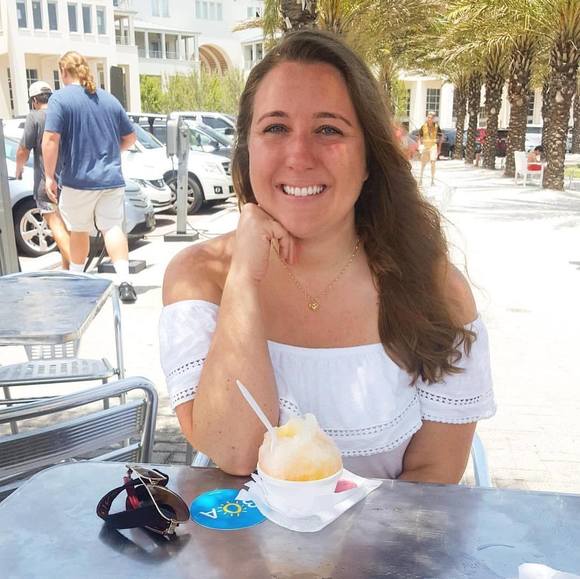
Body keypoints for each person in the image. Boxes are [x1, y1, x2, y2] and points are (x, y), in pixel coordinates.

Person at [160, 30, 495, 483]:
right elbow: (235, 452)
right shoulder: (200, 277)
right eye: (275, 128)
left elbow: (434, 478)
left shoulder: (436, 291)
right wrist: (243, 279)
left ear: (369, 158)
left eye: (328, 129)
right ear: (247, 149)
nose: (299, 156)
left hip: (391, 532)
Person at [42, 51, 138, 303]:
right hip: (111, 179)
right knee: (112, 227)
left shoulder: (60, 99)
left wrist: (49, 176)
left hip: (78, 179)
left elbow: (51, 139)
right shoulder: (109, 99)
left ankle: (78, 280)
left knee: (79, 230)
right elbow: (130, 138)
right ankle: (125, 282)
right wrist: (109, 152)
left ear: (64, 72)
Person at [15, 81, 70, 269]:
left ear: (34, 100)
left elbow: (23, 149)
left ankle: (76, 267)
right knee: (68, 227)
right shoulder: (63, 114)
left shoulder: (35, 116)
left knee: (55, 225)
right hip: (71, 181)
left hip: (46, 183)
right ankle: (68, 271)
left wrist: (19, 169)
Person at [418, 112, 442, 185]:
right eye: (428, 117)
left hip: (433, 147)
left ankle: (432, 180)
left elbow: (440, 138)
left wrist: (439, 148)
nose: (429, 119)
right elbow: (419, 137)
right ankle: (420, 179)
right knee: (423, 164)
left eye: (431, 118)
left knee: (433, 163)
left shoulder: (437, 127)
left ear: (433, 119)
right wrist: (419, 146)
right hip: (425, 147)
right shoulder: (423, 126)